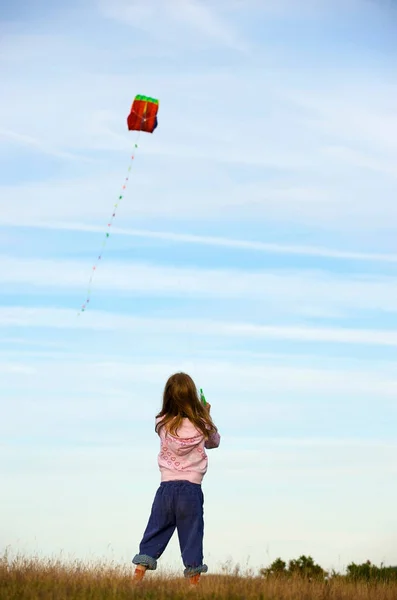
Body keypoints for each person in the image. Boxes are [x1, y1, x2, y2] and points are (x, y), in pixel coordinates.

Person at [132, 372, 221, 587]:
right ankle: (193, 586)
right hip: (191, 489)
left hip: (166, 488)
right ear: (192, 396)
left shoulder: (162, 423)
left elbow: (169, 424)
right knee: (191, 536)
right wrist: (206, 416)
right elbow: (214, 442)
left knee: (155, 531)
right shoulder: (202, 425)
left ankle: (137, 578)